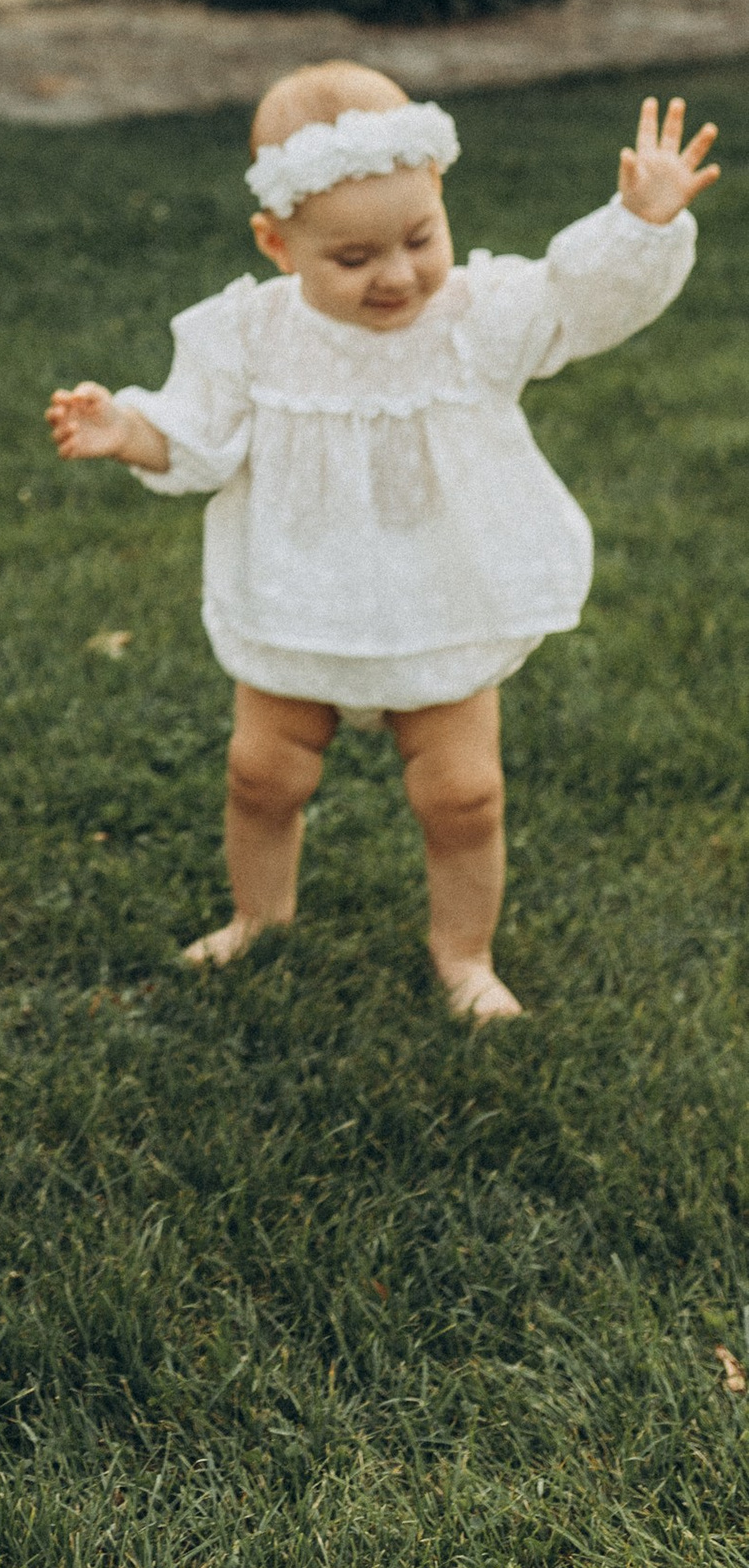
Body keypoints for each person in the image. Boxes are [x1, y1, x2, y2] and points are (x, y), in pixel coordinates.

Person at [45, 62, 713, 1023]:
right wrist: (130, 430)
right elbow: (197, 432)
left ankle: (464, 954)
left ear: (441, 201)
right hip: (300, 590)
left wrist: (638, 224)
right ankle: (258, 916)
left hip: (444, 589)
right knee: (264, 772)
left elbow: (580, 301)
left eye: (418, 238)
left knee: (462, 794)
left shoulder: (478, 317)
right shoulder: (248, 333)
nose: (397, 275)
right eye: (353, 258)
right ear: (278, 243)